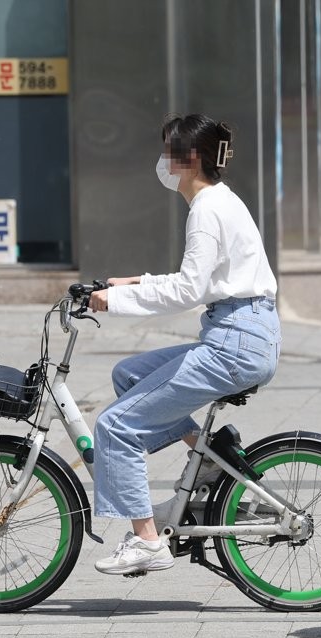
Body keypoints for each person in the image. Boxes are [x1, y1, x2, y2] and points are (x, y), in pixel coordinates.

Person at [87, 113, 280, 575]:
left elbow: (187, 292)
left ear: (189, 160)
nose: (161, 162)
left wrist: (114, 300)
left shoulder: (207, 211)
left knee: (116, 427)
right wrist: (139, 280)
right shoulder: (221, 201)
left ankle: (146, 541)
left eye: (167, 153)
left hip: (234, 343)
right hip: (242, 332)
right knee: (130, 375)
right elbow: (206, 279)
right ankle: (211, 460)